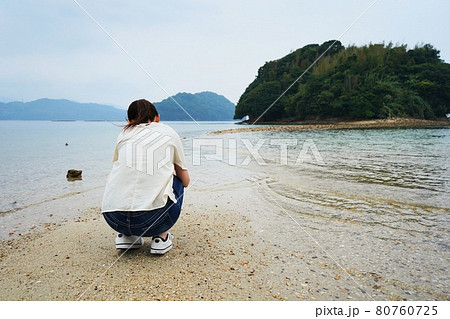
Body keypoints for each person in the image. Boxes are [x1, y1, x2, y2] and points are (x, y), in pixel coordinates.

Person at [102, 99, 190, 255]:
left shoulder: (123, 134)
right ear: (157, 118)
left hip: (114, 217)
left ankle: (126, 236)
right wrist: (172, 172)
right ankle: (160, 237)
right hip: (153, 220)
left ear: (129, 121)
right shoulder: (167, 131)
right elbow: (186, 181)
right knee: (177, 178)